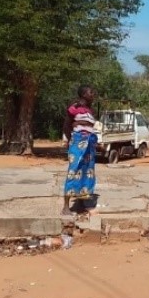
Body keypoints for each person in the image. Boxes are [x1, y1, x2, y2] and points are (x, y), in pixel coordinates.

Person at [61, 85, 98, 216]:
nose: (93, 94)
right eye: (90, 92)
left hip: (90, 145)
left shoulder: (90, 111)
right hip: (78, 143)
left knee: (87, 173)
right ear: (83, 94)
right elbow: (66, 126)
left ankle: (82, 203)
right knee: (73, 171)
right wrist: (73, 142)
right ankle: (66, 207)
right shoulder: (74, 108)